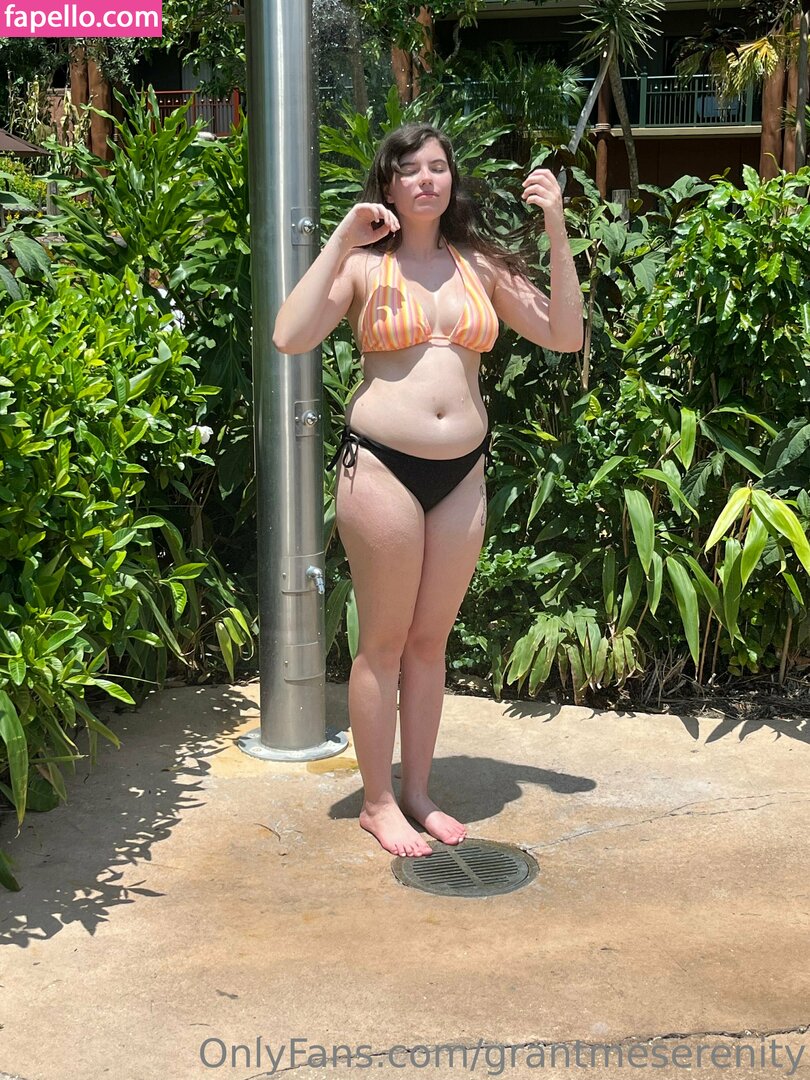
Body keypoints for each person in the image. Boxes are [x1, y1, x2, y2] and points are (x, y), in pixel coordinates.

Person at [273, 123, 583, 858]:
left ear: (452, 181)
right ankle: (377, 802)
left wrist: (556, 227)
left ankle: (416, 791)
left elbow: (565, 334)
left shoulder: (482, 266)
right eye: (409, 169)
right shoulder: (363, 267)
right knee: (382, 643)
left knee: (428, 642)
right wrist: (341, 238)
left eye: (437, 167)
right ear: (388, 184)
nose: (425, 179)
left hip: (462, 471)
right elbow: (290, 335)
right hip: (382, 466)